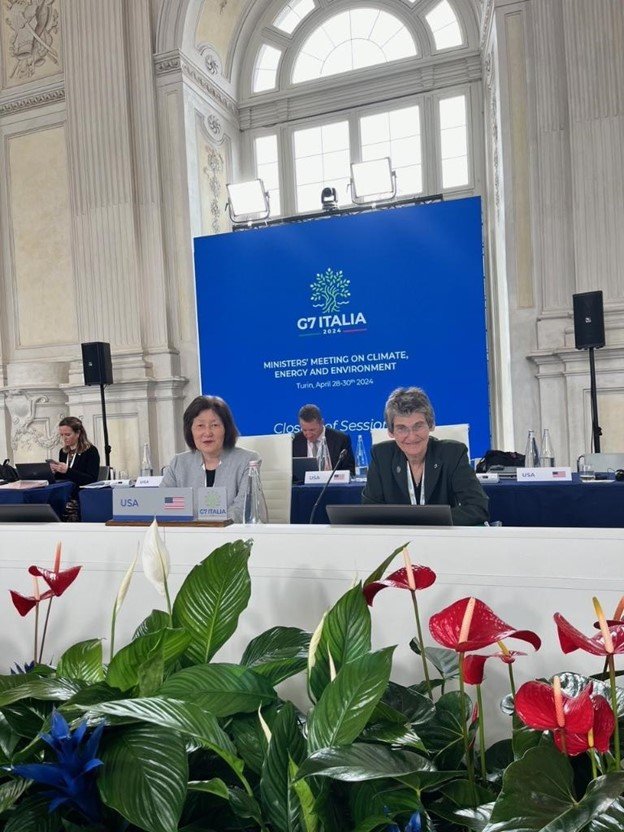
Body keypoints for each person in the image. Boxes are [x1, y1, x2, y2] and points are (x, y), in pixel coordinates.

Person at [362, 387, 489, 526]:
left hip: (443, 540)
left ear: (431, 425)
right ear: (391, 432)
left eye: (418, 426)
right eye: (402, 428)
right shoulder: (381, 456)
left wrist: (425, 522)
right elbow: (370, 512)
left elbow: (478, 508)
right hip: (396, 542)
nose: (411, 436)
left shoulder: (453, 454)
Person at [161, 395, 259, 523]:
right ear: (190, 431)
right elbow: (162, 504)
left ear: (226, 429)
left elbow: (242, 509)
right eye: (200, 425)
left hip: (231, 537)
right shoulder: (178, 463)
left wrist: (210, 527)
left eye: (214, 425)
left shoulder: (248, 461)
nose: (207, 433)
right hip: (188, 536)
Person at [49, 417, 100, 521]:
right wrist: (54, 472)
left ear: (78, 433)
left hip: (80, 493)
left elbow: (91, 479)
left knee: (65, 506)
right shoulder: (63, 452)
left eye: (67, 435)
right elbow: (63, 477)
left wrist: (67, 470)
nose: (64, 438)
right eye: (62, 435)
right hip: (65, 492)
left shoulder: (91, 451)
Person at [292, 404, 355, 474]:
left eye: (312, 430)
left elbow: (350, 471)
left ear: (321, 423)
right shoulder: (294, 441)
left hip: (333, 484)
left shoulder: (341, 439)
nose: (308, 435)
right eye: (304, 430)